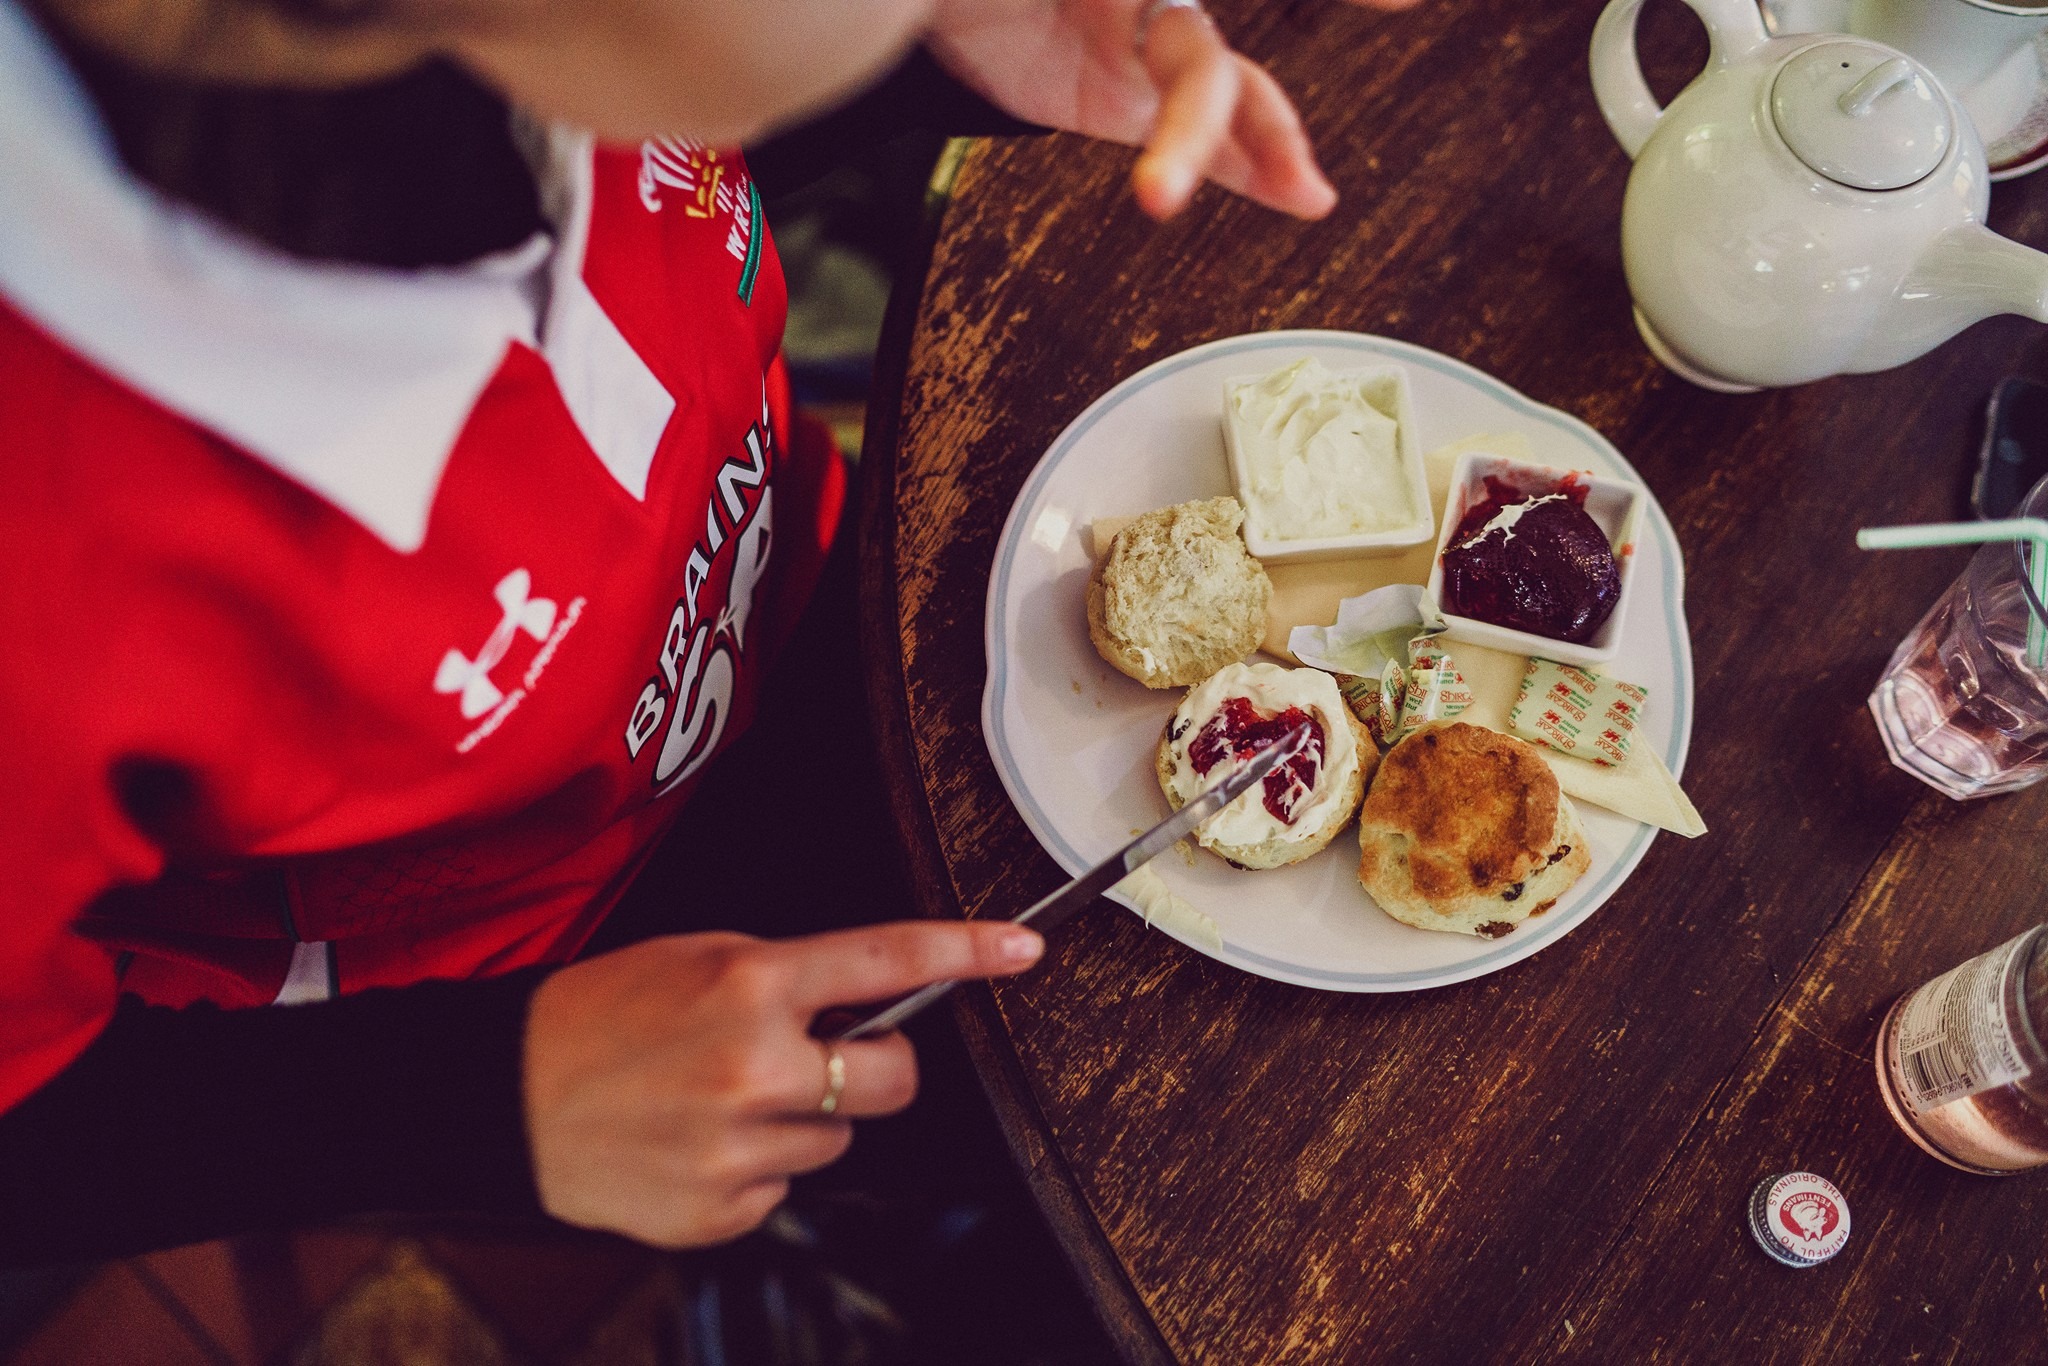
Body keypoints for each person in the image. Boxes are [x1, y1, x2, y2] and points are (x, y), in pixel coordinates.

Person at [0, 0, 1418, 1263]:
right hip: (563, 959)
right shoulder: (54, 567)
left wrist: (925, 60)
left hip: (818, 592)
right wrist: (493, 1103)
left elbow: (641, 171)